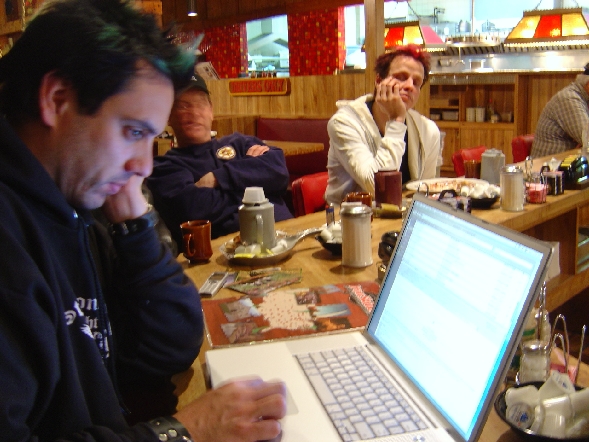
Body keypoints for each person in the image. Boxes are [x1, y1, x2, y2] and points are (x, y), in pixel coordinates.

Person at [0, 0, 286, 441]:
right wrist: (186, 431)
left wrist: (133, 222)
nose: (144, 166)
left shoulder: (77, 206)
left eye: (152, 138)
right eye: (133, 132)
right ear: (56, 100)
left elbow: (169, 346)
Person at [146, 75, 292, 251]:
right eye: (183, 106)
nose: (194, 113)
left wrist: (217, 178)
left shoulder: (239, 143)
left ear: (211, 111)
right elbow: (194, 209)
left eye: (201, 104)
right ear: (168, 116)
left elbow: (278, 170)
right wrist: (258, 189)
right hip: (230, 255)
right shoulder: (164, 168)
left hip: (288, 236)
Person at [324, 45, 440, 205]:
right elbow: (378, 187)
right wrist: (396, 120)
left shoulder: (428, 130)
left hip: (402, 214)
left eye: (416, 82)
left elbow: (427, 190)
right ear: (379, 81)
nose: (409, 86)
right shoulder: (344, 122)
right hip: (349, 216)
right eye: (401, 77)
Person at [531, 64, 589, 157]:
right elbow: (587, 139)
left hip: (567, 162)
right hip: (548, 164)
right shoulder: (569, 99)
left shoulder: (584, 99)